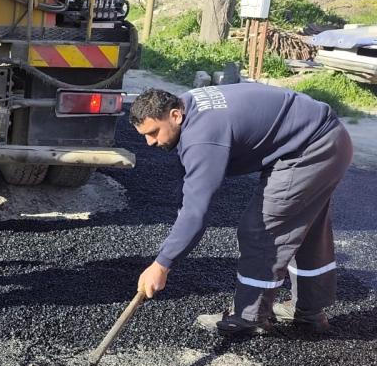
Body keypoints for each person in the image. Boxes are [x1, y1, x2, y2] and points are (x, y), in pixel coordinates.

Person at [130, 85, 353, 336]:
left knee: (261, 229)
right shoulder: (188, 104)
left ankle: (250, 317)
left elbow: (196, 211)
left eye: (153, 132)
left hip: (311, 148)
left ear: (174, 115)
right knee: (306, 228)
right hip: (325, 138)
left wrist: (162, 264)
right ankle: (309, 312)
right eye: (144, 136)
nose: (149, 142)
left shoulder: (203, 135)